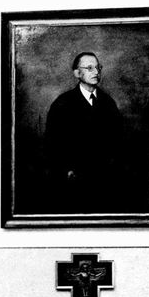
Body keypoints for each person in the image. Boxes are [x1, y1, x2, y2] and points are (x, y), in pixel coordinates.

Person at [44, 51, 124, 213]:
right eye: (89, 68)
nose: (96, 72)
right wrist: (66, 170)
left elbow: (118, 140)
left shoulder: (108, 103)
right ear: (77, 73)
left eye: (98, 67)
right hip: (74, 181)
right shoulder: (63, 104)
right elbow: (52, 143)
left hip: (105, 179)